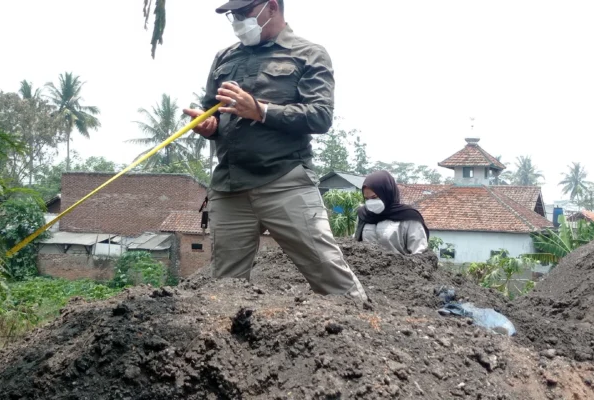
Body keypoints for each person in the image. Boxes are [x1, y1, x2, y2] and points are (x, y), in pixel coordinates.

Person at [183, 0, 368, 302]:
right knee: (225, 290)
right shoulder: (225, 57)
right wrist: (208, 126)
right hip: (229, 188)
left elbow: (320, 116)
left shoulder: (309, 54)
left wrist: (261, 111)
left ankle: (365, 334)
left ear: (270, 6)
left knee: (331, 277)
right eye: (233, 15)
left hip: (285, 183)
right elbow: (211, 111)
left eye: (244, 12)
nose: (237, 20)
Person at [354, 170, 430, 255]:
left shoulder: (409, 217)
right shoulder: (363, 215)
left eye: (374, 197)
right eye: (367, 198)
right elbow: (357, 244)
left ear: (387, 192)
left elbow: (419, 254)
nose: (370, 202)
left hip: (401, 267)